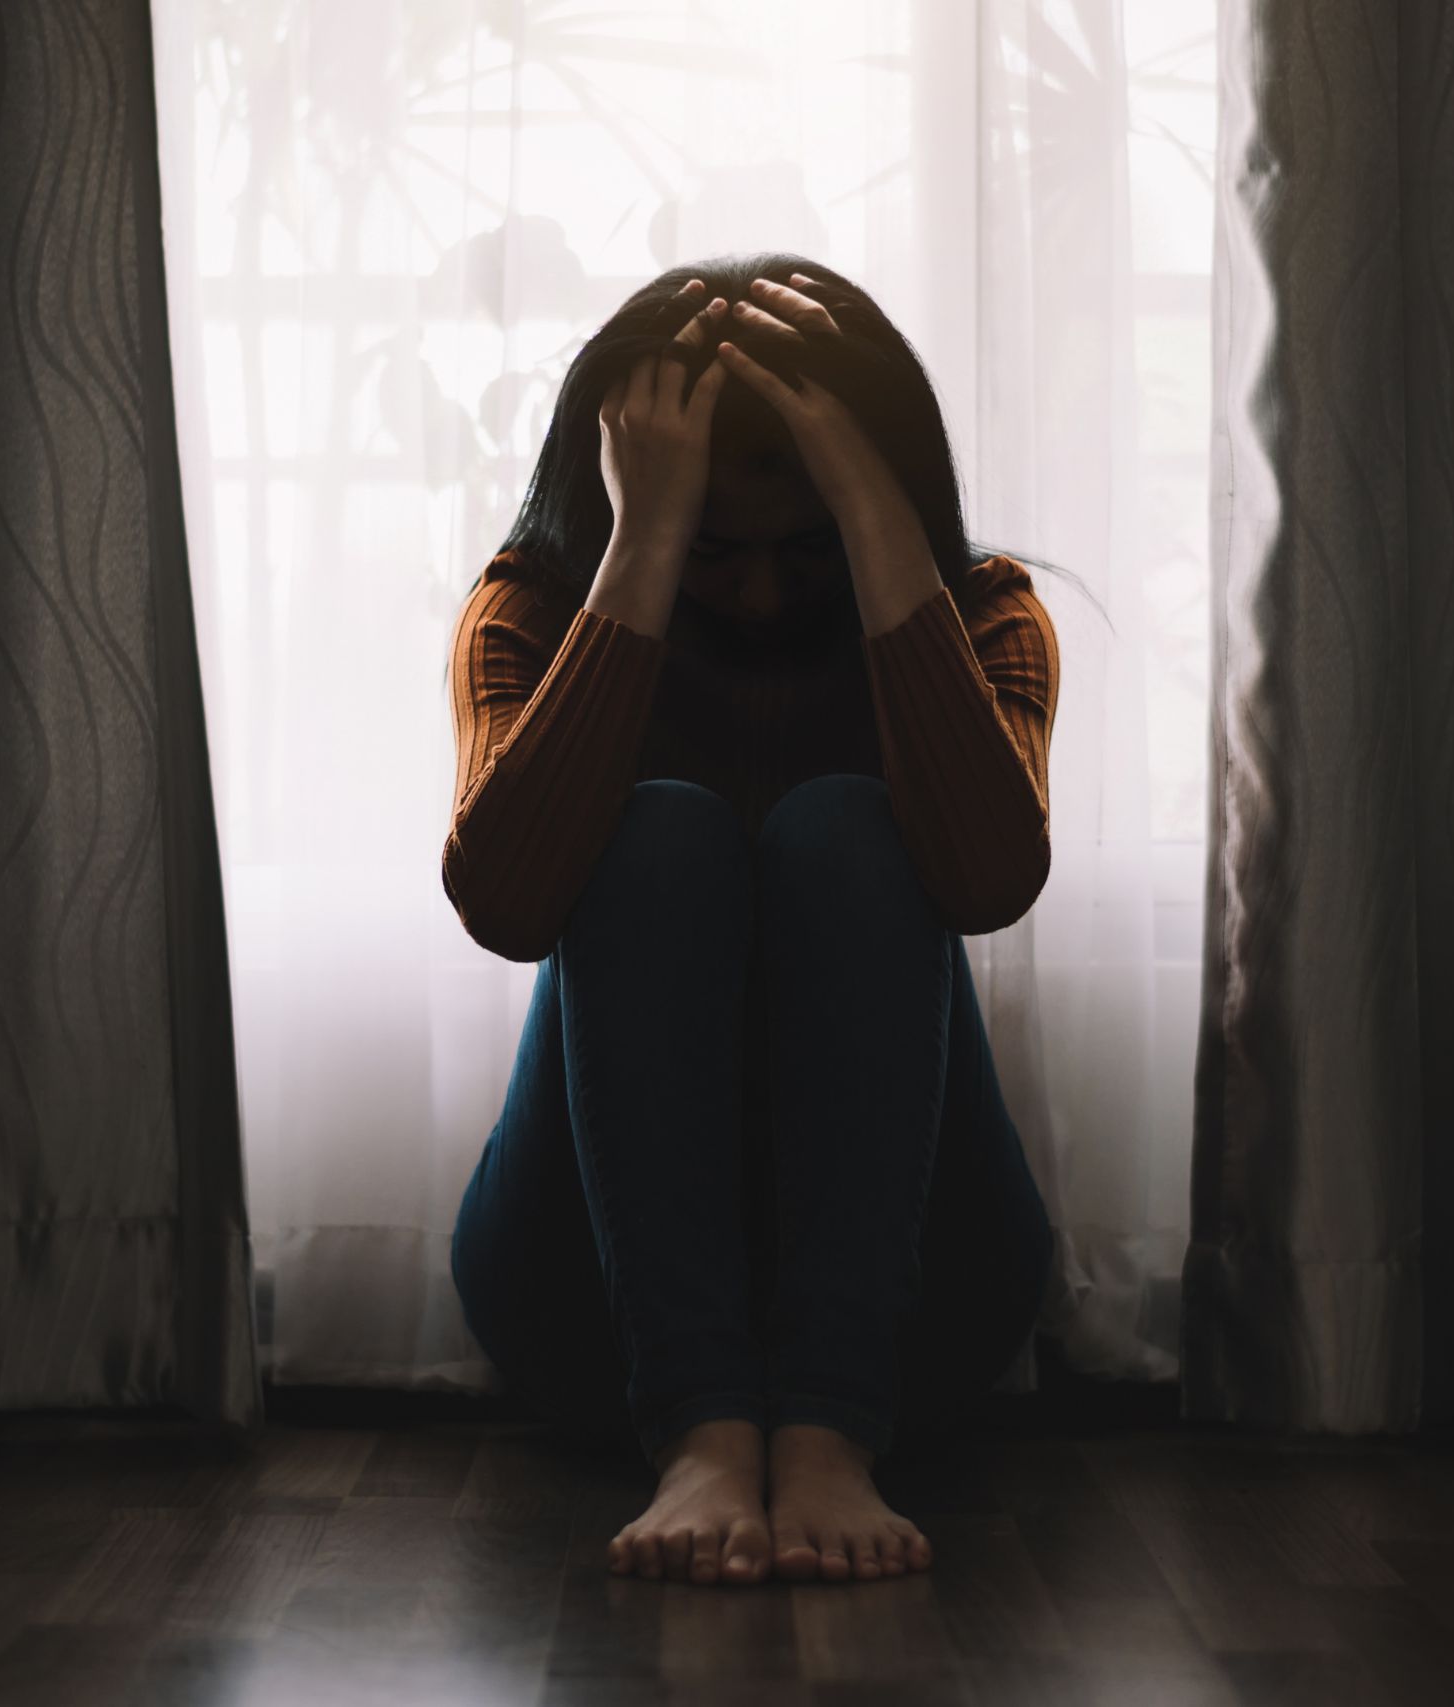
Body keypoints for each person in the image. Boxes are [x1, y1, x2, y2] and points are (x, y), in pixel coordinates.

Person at [441, 254, 1088, 1588]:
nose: (753, 597)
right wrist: (638, 551)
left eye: (801, 550)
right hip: (589, 1311)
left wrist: (875, 518)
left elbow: (985, 884)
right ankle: (699, 1429)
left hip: (922, 1306)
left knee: (848, 829)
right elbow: (505, 906)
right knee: (660, 831)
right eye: (714, 555)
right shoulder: (534, 610)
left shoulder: (984, 613)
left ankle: (832, 1428)